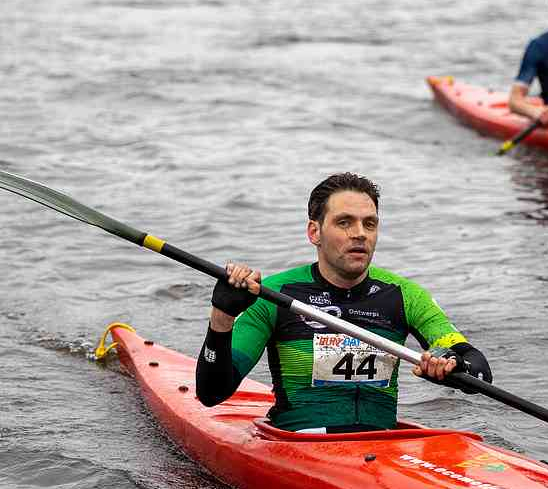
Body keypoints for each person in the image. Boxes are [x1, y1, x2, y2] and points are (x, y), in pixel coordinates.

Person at [194, 172, 493, 433]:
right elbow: (211, 392)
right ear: (315, 232)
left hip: (380, 447)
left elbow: (479, 368)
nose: (360, 234)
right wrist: (222, 316)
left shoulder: (405, 295)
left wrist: (451, 368)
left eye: (370, 224)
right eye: (344, 222)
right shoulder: (275, 295)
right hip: (298, 442)